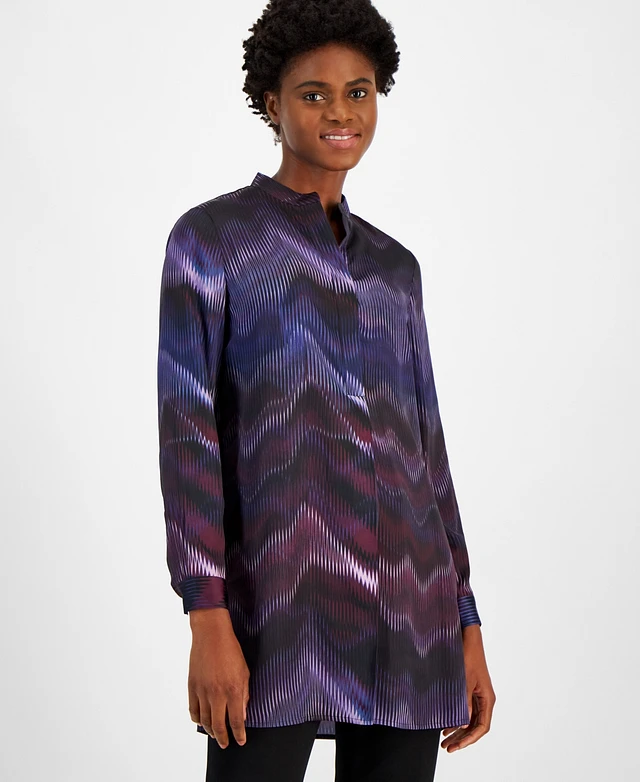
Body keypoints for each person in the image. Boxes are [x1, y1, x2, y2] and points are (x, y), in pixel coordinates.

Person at [156, 1, 496, 779]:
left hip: (411, 622)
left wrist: (465, 620)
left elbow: (428, 456)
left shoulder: (395, 269)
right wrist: (205, 613)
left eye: (358, 92)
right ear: (271, 104)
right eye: (314, 94)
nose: (340, 112)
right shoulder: (213, 241)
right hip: (276, 614)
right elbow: (187, 437)